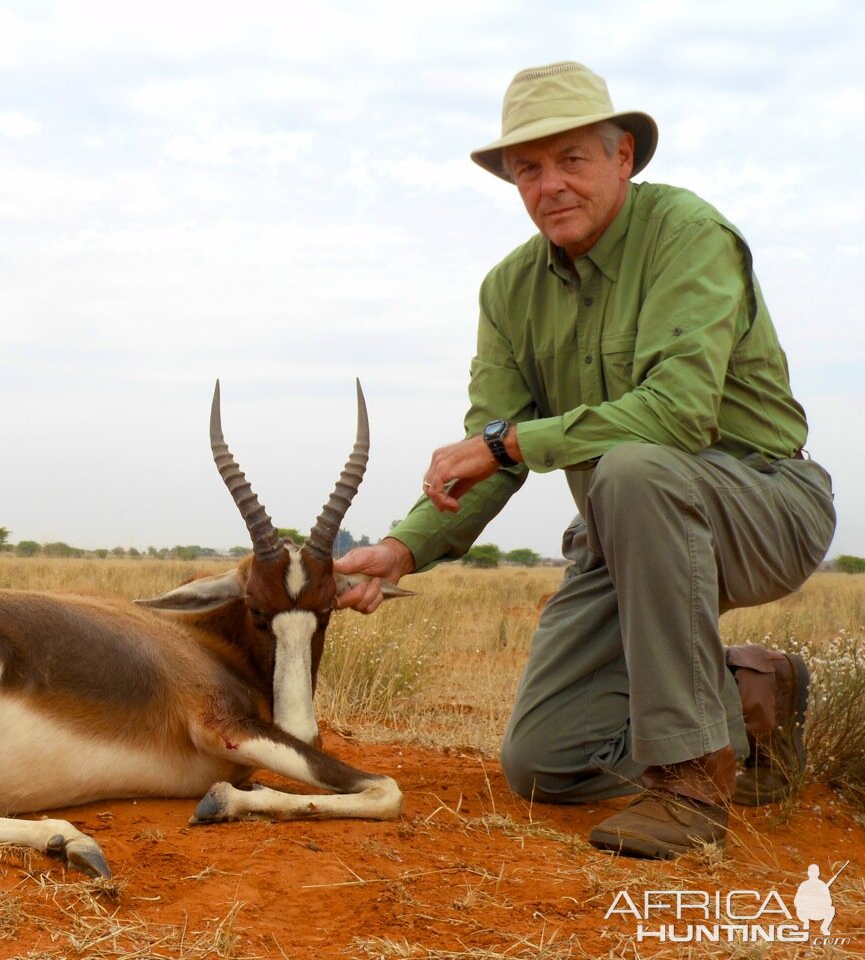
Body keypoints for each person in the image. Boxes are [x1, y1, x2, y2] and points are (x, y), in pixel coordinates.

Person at [336, 61, 836, 859]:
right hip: (624, 526)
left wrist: (507, 442)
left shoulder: (688, 234)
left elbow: (674, 414)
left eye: (572, 159)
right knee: (547, 763)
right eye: (528, 169)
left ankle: (689, 786)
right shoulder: (507, 292)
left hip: (765, 502)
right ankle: (752, 702)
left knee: (635, 468)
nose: (550, 185)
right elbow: (490, 454)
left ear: (624, 158)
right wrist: (400, 549)